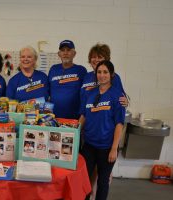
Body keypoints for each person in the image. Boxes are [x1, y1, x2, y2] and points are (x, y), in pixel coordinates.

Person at [79, 60, 125, 200]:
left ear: (111, 75)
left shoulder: (117, 96)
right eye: (99, 72)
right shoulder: (90, 93)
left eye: (105, 72)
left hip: (106, 148)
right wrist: (74, 132)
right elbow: (83, 116)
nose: (102, 75)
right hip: (89, 146)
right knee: (85, 180)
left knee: (103, 182)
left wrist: (114, 148)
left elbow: (119, 124)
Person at [48, 40, 87, 119]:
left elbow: (87, 93)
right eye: (62, 50)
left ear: (74, 53)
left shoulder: (81, 70)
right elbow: (47, 91)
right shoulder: (53, 69)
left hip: (74, 118)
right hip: (53, 118)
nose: (65, 53)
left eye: (68, 50)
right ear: (59, 54)